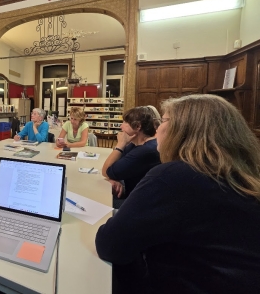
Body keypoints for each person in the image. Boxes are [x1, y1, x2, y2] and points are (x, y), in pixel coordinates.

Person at [95, 94, 260, 293]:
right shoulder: (243, 175)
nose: (157, 129)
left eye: (163, 120)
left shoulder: (176, 176)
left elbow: (110, 244)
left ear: (183, 130)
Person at [101, 106, 161, 204]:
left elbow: (106, 171)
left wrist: (120, 144)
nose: (121, 126)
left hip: (138, 203)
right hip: (131, 194)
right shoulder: (136, 144)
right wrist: (114, 178)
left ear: (137, 126)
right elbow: (117, 163)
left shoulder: (145, 151)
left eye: (125, 123)